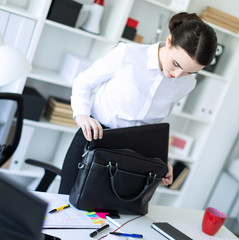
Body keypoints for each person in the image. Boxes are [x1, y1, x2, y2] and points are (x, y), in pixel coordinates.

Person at [59, 12, 217, 194]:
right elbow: (83, 82)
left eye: (190, 72)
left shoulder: (187, 83)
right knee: (67, 203)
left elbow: (157, 123)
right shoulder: (128, 54)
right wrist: (82, 115)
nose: (177, 74)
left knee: (113, 214)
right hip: (96, 138)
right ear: (169, 40)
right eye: (176, 63)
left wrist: (160, 159)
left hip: (135, 153)